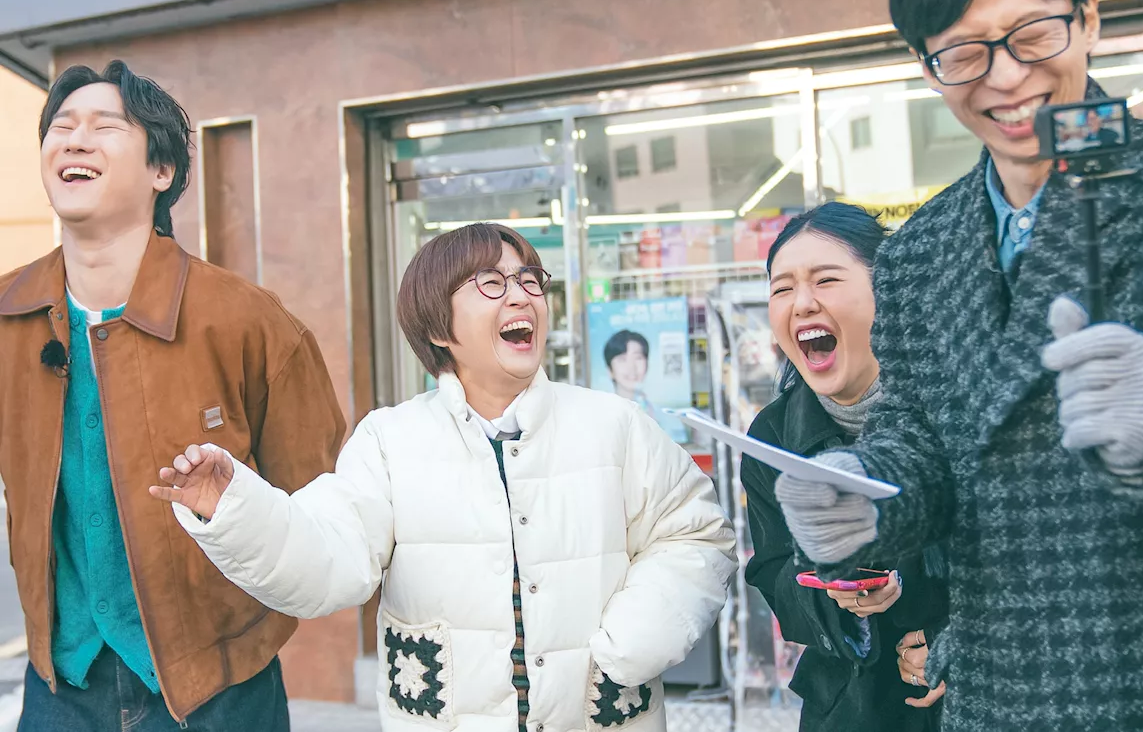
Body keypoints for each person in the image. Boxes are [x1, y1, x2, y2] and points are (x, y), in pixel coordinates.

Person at [774, 0, 1143, 730]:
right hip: (1002, 695)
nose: (1006, 77)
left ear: (1089, 17)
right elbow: (920, 443)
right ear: (927, 63)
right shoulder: (920, 246)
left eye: (1033, 35)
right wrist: (865, 497)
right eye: (963, 53)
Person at [148, 223, 737, 732]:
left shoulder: (615, 425)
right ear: (436, 327)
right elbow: (330, 555)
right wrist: (233, 508)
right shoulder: (389, 440)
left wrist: (635, 643)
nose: (521, 297)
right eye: (491, 283)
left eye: (530, 280)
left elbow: (694, 535)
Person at [0, 60, 346, 730]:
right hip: (59, 688)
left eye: (104, 126)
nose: (74, 140)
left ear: (162, 171)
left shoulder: (247, 320)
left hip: (220, 691)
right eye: (60, 126)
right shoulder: (7, 317)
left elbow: (320, 507)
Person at [742, 202, 946, 732]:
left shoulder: (950, 404)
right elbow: (771, 570)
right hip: (849, 708)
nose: (802, 303)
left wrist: (949, 638)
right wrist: (844, 593)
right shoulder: (774, 436)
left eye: (826, 280)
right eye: (782, 288)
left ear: (889, 290)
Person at [604, 329, 657, 414]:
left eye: (638, 358)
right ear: (610, 371)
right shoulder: (603, 413)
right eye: (622, 359)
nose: (631, 367)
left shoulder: (658, 414)